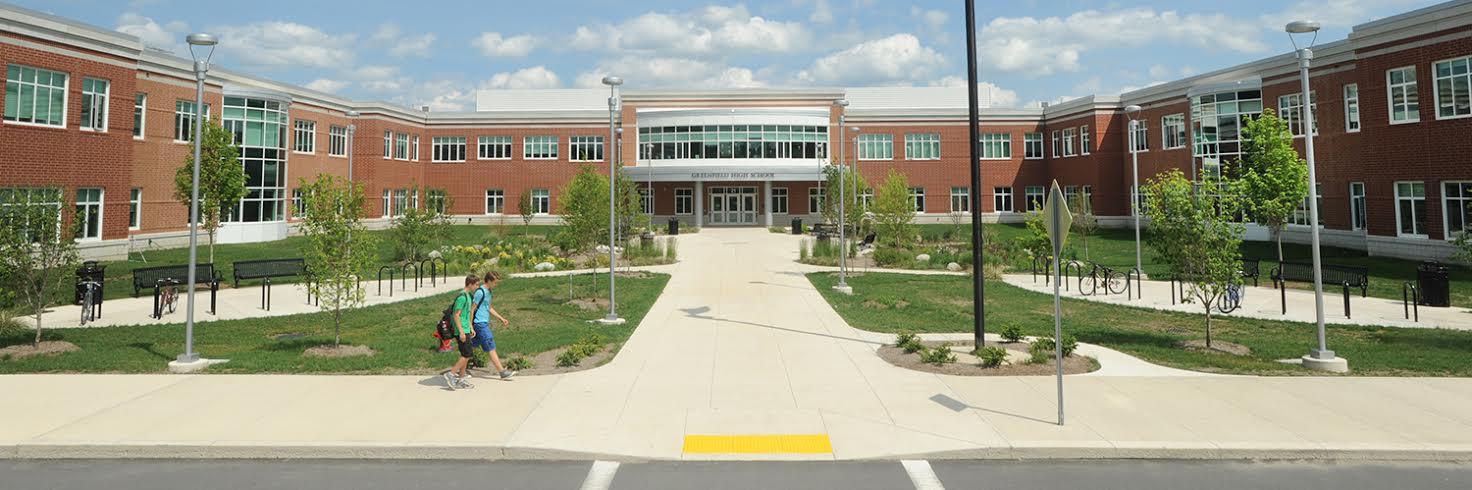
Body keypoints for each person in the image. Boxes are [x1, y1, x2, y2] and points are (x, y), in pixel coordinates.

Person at [469, 271, 517, 380]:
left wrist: (501, 318)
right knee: (490, 345)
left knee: (469, 348)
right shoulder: (480, 292)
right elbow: (472, 310)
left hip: (483, 323)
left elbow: (489, 308)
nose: (496, 284)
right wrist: (471, 326)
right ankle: (502, 372)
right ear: (489, 281)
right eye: (495, 282)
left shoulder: (489, 291)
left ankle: (457, 370)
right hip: (479, 324)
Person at [442, 275, 479, 390]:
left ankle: (461, 379)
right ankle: (451, 374)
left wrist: (471, 327)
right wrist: (462, 332)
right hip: (461, 330)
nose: (477, 287)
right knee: (467, 354)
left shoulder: (468, 296)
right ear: (470, 284)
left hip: (466, 328)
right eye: (476, 284)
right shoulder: (462, 297)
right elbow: (456, 315)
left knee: (466, 354)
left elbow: (466, 314)